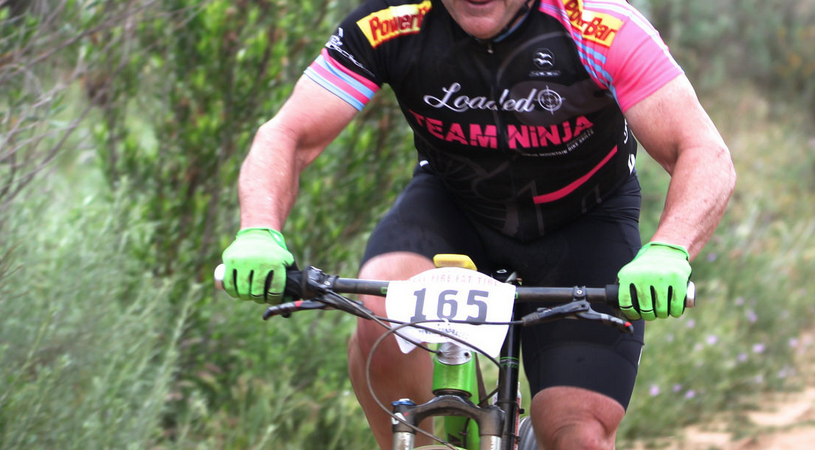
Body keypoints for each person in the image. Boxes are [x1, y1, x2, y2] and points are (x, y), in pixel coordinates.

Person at [221, 0, 736, 448]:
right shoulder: (392, 21)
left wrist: (670, 249)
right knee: (379, 312)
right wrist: (259, 231)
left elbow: (702, 151)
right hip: (454, 207)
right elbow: (288, 135)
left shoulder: (601, 25)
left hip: (585, 221)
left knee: (577, 434)